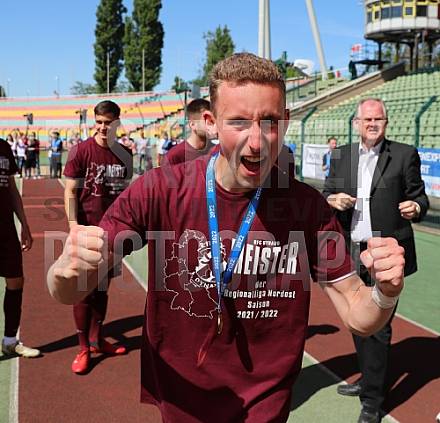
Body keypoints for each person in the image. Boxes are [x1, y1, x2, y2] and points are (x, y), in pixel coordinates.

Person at [48, 53, 405, 422]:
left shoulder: (308, 209)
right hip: (183, 396)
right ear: (211, 122)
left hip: (265, 402)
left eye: (269, 122)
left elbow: (359, 314)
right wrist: (63, 270)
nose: (256, 141)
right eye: (238, 122)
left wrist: (385, 292)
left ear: (285, 122)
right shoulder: (159, 190)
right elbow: (70, 290)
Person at [323, 97, 429, 423]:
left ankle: (372, 401)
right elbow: (327, 193)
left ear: (386, 123)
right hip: (350, 251)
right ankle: (369, 380)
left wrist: (416, 207)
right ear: (356, 123)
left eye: (377, 119)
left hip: (384, 255)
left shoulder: (404, 154)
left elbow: (419, 197)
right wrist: (333, 199)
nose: (372, 124)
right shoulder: (341, 155)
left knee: (379, 329)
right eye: (366, 119)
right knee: (358, 321)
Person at [62, 100, 133, 374]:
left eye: (108, 123)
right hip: (85, 232)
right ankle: (83, 348)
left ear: (117, 122)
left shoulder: (125, 154)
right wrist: (73, 226)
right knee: (83, 290)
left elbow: (125, 195)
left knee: (102, 288)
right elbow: (70, 191)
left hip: (111, 234)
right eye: (99, 122)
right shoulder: (80, 151)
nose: (103, 127)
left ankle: (96, 340)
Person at [0, 138, 40, 358]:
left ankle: (9, 341)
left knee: (16, 281)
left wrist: (24, 223)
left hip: (5, 228)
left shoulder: (4, 147)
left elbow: (12, 188)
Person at [165, 98, 216, 165]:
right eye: (207, 121)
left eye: (213, 120)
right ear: (192, 125)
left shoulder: (217, 152)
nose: (213, 125)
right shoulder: (174, 156)